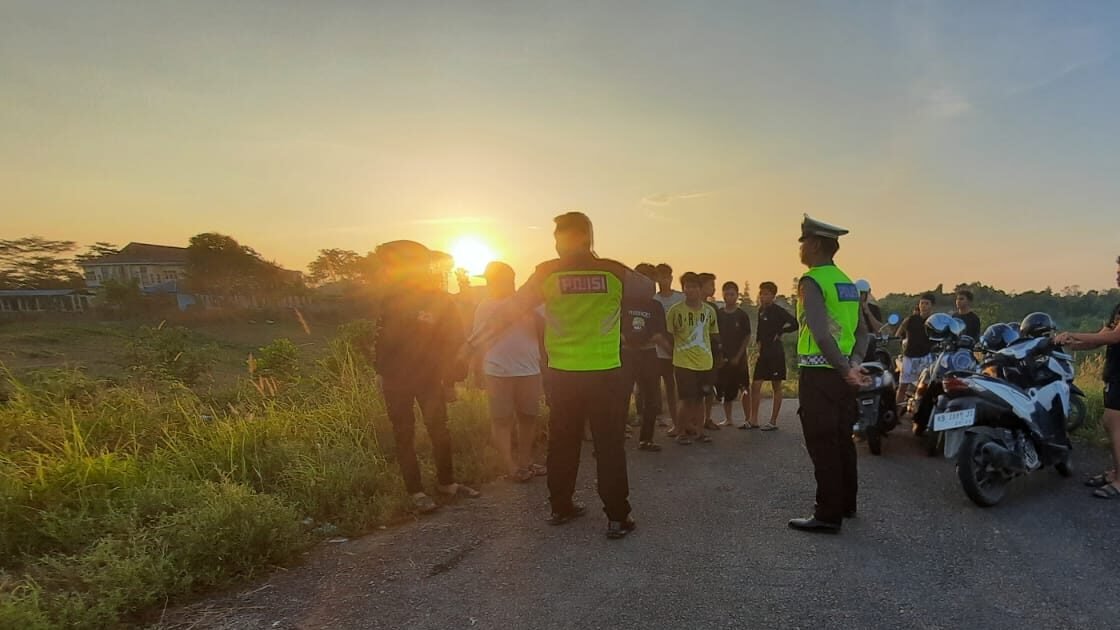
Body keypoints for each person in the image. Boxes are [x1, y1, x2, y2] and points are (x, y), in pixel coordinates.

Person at [465, 212, 652, 539]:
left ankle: (561, 507)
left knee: (563, 444)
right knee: (608, 447)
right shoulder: (613, 271)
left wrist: (470, 346)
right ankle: (617, 518)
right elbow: (647, 289)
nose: (556, 242)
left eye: (560, 236)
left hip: (564, 374)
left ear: (577, 237)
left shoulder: (546, 274)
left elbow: (512, 310)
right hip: (605, 373)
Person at [373, 240, 480, 514]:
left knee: (439, 431)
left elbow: (452, 340)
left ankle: (447, 483)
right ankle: (416, 492)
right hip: (396, 378)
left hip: (430, 377)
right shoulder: (390, 298)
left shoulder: (440, 300)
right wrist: (381, 373)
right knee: (404, 434)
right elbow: (384, 340)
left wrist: (450, 380)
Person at [788, 216, 870, 534]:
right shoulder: (847, 283)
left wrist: (843, 367)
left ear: (817, 245)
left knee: (822, 444)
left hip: (820, 374)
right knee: (842, 441)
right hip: (843, 375)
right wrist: (853, 366)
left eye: (804, 242)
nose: (801, 248)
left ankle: (827, 514)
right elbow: (863, 333)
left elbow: (821, 334)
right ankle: (846, 504)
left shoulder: (811, 281)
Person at [471, 261, 546, 483]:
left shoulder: (532, 306)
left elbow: (545, 335)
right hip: (497, 371)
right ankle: (510, 466)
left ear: (511, 279)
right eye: (489, 280)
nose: (490, 284)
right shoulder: (484, 306)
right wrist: (477, 370)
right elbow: (477, 341)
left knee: (528, 417)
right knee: (501, 419)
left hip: (529, 369)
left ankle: (525, 461)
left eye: (494, 279)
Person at [1056, 255, 1120, 499]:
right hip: (1114, 372)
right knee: (1112, 423)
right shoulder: (1118, 308)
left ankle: (1119, 480)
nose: (1117, 274)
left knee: (1114, 424)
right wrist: (1074, 343)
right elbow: (1102, 335)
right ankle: (1115, 472)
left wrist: (1072, 333)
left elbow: (1114, 338)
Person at [666, 272, 722, 445]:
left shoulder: (709, 311)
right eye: (687, 287)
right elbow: (669, 335)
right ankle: (681, 432)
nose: (690, 290)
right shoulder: (675, 311)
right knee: (686, 398)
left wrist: (718, 357)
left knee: (700, 399)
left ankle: (699, 432)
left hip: (705, 361)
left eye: (694, 287)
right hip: (683, 362)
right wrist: (674, 353)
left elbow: (714, 336)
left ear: (700, 289)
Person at [621, 263, 671, 452]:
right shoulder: (623, 301)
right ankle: (614, 439)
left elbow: (659, 333)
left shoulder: (655, 305)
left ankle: (646, 439)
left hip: (648, 354)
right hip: (626, 354)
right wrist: (626, 339)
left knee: (652, 398)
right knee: (621, 397)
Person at [749, 281, 798, 430]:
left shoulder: (778, 311)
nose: (763, 297)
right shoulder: (761, 310)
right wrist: (757, 345)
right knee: (755, 385)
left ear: (773, 296)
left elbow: (794, 324)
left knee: (776, 385)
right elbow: (759, 330)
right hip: (763, 353)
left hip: (776, 352)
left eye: (767, 294)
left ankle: (773, 421)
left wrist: (781, 332)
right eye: (762, 294)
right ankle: (753, 419)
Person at [715, 281, 752, 428]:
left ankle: (748, 419)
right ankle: (728, 418)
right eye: (726, 294)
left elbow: (747, 336)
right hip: (723, 358)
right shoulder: (719, 314)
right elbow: (715, 334)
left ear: (737, 296)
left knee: (744, 388)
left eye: (732, 294)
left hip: (739, 358)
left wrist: (738, 356)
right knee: (725, 389)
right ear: (722, 294)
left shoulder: (742, 315)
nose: (729, 297)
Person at [653, 263, 685, 431]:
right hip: (658, 350)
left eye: (667, 276)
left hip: (678, 347)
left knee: (678, 389)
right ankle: (668, 421)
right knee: (660, 388)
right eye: (661, 276)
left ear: (671, 278)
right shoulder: (653, 300)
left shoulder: (680, 298)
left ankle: (679, 423)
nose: (664, 280)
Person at [896, 293, 936, 413]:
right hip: (909, 356)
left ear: (932, 306)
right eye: (921, 303)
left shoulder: (934, 322)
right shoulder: (911, 319)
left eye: (926, 303)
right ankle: (896, 413)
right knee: (902, 386)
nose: (923, 306)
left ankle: (923, 413)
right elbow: (898, 334)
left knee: (926, 387)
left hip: (926, 357)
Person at [698, 272, 721, 430]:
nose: (713, 288)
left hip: (710, 352)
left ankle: (707, 418)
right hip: (691, 353)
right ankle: (693, 420)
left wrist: (719, 353)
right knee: (693, 390)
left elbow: (717, 332)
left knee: (708, 387)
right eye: (710, 285)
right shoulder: (688, 306)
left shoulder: (712, 307)